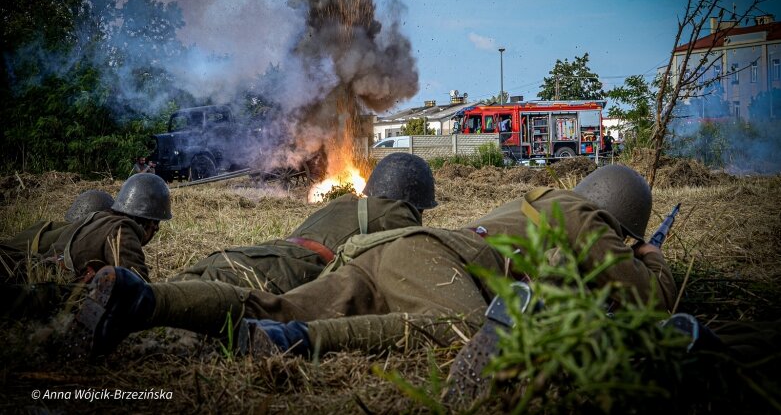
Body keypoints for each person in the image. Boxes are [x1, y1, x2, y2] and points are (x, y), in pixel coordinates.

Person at [68, 165, 677, 359]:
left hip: (381, 256)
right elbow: (649, 301)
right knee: (467, 328)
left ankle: (144, 299)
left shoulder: (536, 206)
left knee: (266, 302)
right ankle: (296, 341)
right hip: (425, 258)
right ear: (622, 218)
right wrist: (652, 257)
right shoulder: (586, 216)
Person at [168, 153, 438, 293]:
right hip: (272, 279)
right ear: (414, 204)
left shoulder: (341, 204)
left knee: (163, 296)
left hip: (239, 258)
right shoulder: (396, 213)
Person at [0, 173, 171, 284]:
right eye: (156, 225)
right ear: (152, 224)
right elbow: (137, 287)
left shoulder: (97, 218)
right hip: (30, 283)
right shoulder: (122, 229)